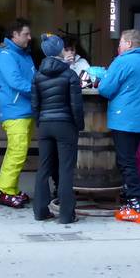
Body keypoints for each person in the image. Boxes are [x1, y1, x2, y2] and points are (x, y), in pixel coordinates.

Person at [98, 29, 140, 224]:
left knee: (126, 162)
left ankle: (137, 207)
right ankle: (137, 201)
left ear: (129, 44)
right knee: (132, 159)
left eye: (121, 43)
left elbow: (105, 89)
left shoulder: (122, 61)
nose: (119, 47)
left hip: (123, 118)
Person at [31, 35, 84, 225]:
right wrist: (79, 125)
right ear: (60, 50)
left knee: (43, 168)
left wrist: (40, 123)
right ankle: (66, 215)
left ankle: (40, 211)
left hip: (45, 125)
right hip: (65, 125)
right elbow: (76, 106)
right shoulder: (70, 75)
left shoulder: (37, 75)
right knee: (66, 169)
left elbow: (35, 105)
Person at [0, 18, 35, 208]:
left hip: (26, 109)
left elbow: (33, 77)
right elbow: (16, 81)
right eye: (26, 34)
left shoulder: (24, 54)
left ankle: (11, 189)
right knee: (17, 151)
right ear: (14, 35)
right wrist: (39, 91)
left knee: (19, 152)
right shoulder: (5, 55)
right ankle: (4, 192)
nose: (29, 37)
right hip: (15, 110)